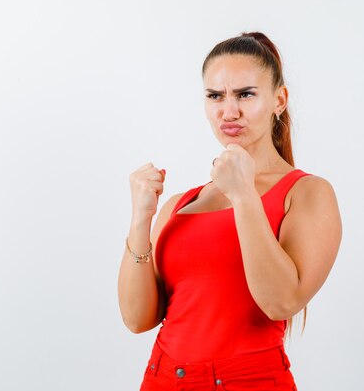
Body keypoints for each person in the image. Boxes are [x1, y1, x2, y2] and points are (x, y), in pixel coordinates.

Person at [118, 31, 342, 391]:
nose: (229, 111)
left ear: (279, 100)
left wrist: (244, 195)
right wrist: (140, 219)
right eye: (215, 96)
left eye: (245, 94)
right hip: (161, 380)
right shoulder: (180, 204)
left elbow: (281, 301)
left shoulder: (308, 193)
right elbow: (136, 318)